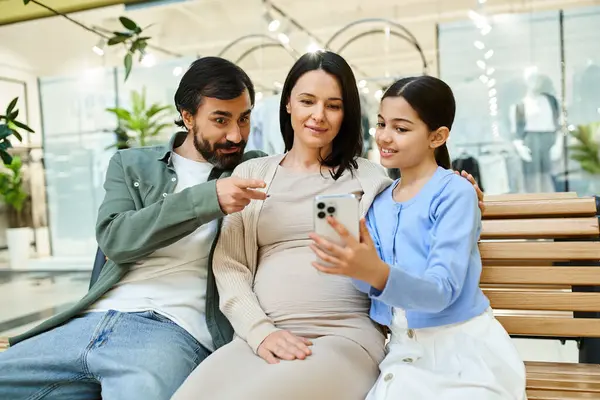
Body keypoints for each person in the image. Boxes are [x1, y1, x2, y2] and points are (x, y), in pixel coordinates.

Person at [171, 52, 484, 400]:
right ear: (288, 103)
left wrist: (459, 189)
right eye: (307, 101)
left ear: (346, 112)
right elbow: (230, 266)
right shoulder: (252, 174)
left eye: (333, 105)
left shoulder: (369, 178)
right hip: (261, 337)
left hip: (345, 338)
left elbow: (419, 212)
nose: (318, 115)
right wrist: (261, 333)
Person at [0, 57, 269, 400]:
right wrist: (207, 198)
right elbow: (116, 239)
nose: (236, 134)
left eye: (244, 118)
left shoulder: (255, 168)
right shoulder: (130, 163)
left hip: (173, 329)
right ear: (187, 117)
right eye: (221, 120)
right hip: (88, 321)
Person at [308, 75, 527, 400]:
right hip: (402, 351)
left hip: (463, 353)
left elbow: (443, 290)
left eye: (401, 128)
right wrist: (354, 267)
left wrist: (375, 272)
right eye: (382, 124)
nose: (384, 136)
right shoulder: (378, 200)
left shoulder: (455, 192)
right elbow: (373, 285)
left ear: (437, 136)